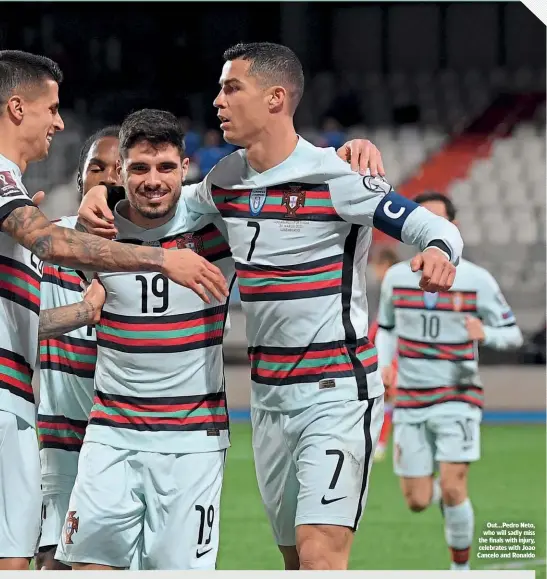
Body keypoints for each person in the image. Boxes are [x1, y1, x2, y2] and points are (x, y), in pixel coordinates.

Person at [78, 42, 463, 571]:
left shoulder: (341, 178)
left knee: (320, 554)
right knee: (292, 558)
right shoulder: (224, 182)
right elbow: (151, 210)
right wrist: (98, 195)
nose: (217, 101)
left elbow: (430, 226)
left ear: (276, 98)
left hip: (336, 393)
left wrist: (441, 252)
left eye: (231, 87)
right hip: (268, 401)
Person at [0, 50, 227, 571]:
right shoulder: (72, 231)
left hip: (189, 439)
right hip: (85, 431)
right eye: (51, 108)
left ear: (185, 168)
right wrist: (160, 258)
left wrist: (345, 157)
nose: (59, 120)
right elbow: (52, 245)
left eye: (166, 167)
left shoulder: (214, 221)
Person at [375, 192, 523, 571]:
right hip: (409, 398)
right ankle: (444, 494)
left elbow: (514, 334)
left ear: (453, 230)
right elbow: (388, 329)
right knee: (417, 500)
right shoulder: (395, 278)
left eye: (440, 223)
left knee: (456, 486)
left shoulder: (477, 280)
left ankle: (460, 569)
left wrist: (486, 333)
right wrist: (384, 364)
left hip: (458, 394)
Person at [34, 125, 120, 571]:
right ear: (81, 179)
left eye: (119, 167)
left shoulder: (159, 252)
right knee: (54, 558)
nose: (108, 178)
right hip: (63, 441)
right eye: (97, 168)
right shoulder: (49, 243)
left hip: (131, 443)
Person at [367, 246, 400, 462]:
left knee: (386, 395)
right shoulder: (388, 288)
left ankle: (381, 443)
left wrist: (370, 339)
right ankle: (381, 442)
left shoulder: (396, 288)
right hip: (389, 348)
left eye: (378, 267)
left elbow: (387, 322)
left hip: (396, 351)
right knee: (385, 397)